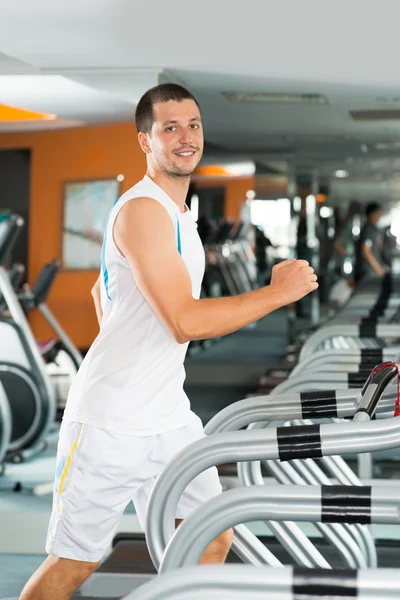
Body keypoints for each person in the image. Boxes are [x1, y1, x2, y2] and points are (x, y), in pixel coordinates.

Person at [19, 83, 318, 600]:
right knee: (75, 563)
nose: (186, 137)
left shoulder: (179, 212)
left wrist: (130, 345)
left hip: (167, 416)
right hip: (110, 423)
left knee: (211, 535)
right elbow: (184, 322)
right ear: (145, 141)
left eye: (194, 125)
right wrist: (276, 293)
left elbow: (101, 291)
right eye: (170, 128)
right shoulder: (142, 211)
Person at [354, 202, 386, 282]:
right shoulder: (368, 230)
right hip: (367, 272)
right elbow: (366, 251)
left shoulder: (374, 230)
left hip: (370, 271)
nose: (379, 216)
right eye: (377, 213)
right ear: (371, 214)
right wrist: (379, 269)